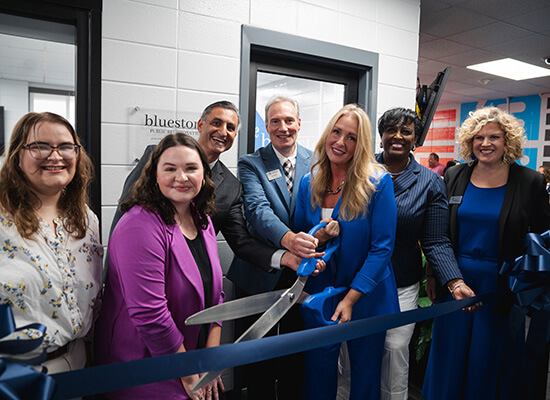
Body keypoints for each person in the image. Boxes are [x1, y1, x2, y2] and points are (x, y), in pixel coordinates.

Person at [423, 107, 550, 400]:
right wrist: (434, 273)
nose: (486, 143)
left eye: (494, 136)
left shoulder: (529, 181)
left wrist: (532, 283)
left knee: (490, 360)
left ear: (508, 141)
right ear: (470, 141)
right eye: (479, 137)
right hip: (454, 281)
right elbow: (438, 232)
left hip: (502, 288)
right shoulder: (455, 175)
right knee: (448, 357)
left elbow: (544, 237)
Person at [95, 133, 225, 400]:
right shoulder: (139, 224)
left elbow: (216, 296)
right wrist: (188, 373)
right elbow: (150, 314)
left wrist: (211, 358)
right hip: (145, 366)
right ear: (154, 175)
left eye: (191, 168)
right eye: (170, 169)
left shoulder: (203, 220)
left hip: (192, 360)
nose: (182, 177)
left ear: (204, 174)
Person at [108, 101, 301, 277]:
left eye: (230, 128)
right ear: (201, 125)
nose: (223, 132)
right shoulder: (157, 156)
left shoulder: (231, 187)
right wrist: (112, 270)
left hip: (191, 280)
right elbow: (126, 210)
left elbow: (241, 242)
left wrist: (284, 258)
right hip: (142, 269)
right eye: (216, 123)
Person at [294, 104, 399, 400]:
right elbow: (302, 235)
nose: (340, 142)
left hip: (366, 294)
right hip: (320, 293)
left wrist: (352, 298)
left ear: (361, 144)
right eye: (336, 132)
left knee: (365, 375)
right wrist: (319, 238)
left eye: (351, 137)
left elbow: (382, 248)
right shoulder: (309, 182)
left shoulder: (378, 183)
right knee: (318, 372)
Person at [375, 108, 475, 400]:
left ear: (415, 138)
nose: (397, 136)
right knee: (355, 354)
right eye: (391, 130)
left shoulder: (429, 182)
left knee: (395, 352)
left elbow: (435, 240)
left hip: (401, 281)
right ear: (381, 136)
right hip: (356, 280)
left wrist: (454, 281)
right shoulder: (360, 170)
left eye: (406, 131)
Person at [226, 96, 315, 400]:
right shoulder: (251, 163)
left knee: (294, 351)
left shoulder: (316, 161)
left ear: (299, 124)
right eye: (275, 121)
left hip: (301, 275)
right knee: (257, 353)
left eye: (289, 120)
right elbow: (258, 211)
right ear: (267, 126)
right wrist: (290, 240)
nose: (283, 127)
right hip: (259, 272)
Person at [0, 112, 102, 373]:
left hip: (76, 362)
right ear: (17, 156)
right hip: (14, 373)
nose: (55, 156)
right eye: (40, 146)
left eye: (66, 146)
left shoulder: (86, 221)